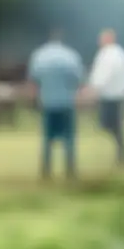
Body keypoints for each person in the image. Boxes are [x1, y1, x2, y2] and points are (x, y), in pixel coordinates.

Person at [28, 28, 84, 180]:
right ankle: (70, 170)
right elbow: (78, 78)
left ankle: (46, 171)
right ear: (61, 39)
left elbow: (34, 79)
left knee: (47, 139)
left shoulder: (39, 55)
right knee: (69, 139)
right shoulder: (71, 55)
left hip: (48, 102)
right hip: (66, 102)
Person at [88, 28, 124, 167]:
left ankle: (122, 155)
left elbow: (104, 74)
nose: (99, 41)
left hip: (111, 95)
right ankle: (122, 154)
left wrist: (94, 88)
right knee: (113, 125)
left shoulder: (110, 54)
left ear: (109, 38)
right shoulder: (119, 53)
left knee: (112, 125)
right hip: (116, 94)